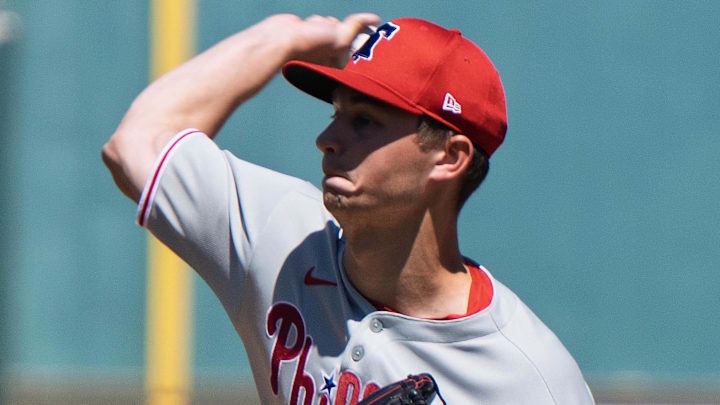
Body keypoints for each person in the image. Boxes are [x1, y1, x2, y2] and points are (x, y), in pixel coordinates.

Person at [102, 13, 595, 405]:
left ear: (449, 157)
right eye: (336, 114)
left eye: (363, 122)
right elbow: (134, 146)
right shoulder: (285, 235)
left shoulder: (530, 381)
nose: (326, 140)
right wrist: (283, 40)